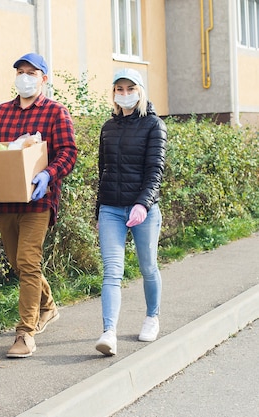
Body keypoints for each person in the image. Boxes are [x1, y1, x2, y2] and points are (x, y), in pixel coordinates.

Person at [0, 52, 77, 358]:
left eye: (32, 72)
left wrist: (48, 174)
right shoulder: (0, 112)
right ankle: (47, 306)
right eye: (21, 71)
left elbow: (68, 152)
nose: (25, 77)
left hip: (37, 201)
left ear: (44, 78)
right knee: (17, 263)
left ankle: (25, 333)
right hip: (5, 199)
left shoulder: (56, 112)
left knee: (29, 262)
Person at [94, 68, 167, 356]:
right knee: (112, 271)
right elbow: (104, 172)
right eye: (119, 89)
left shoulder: (154, 125)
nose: (124, 94)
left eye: (129, 88)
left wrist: (143, 204)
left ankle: (152, 317)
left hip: (143, 209)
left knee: (148, 267)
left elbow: (155, 171)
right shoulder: (108, 127)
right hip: (111, 208)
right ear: (113, 93)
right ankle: (108, 333)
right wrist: (99, 210)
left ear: (140, 91)